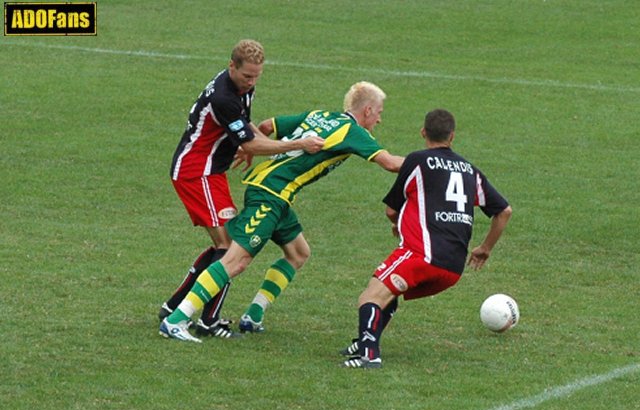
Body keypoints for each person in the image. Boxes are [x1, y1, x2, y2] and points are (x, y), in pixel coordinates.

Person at [159, 81, 405, 342]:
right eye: (379, 113)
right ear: (367, 110)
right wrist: (426, 164)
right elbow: (389, 163)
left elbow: (267, 126)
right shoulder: (353, 132)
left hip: (276, 194)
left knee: (298, 253)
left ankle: (253, 315)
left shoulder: (320, 116)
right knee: (235, 260)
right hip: (270, 195)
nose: (379, 120)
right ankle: (177, 319)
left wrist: (254, 150)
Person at [159, 39, 324, 340]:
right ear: (231, 66)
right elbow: (249, 141)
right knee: (229, 247)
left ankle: (174, 307)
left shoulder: (241, 87)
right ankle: (207, 320)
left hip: (212, 172)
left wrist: (249, 142)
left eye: (257, 76)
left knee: (226, 244)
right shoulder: (224, 96)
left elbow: (245, 128)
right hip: (196, 172)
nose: (252, 82)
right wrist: (298, 144)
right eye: (247, 76)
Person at [341, 108, 512, 368]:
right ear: (452, 136)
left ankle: (369, 355)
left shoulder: (417, 161)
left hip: (422, 255)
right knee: (389, 290)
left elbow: (391, 210)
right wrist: (485, 248)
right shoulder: (469, 170)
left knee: (370, 297)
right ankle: (366, 339)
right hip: (453, 269)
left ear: (423, 132)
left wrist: (398, 225)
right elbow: (504, 211)